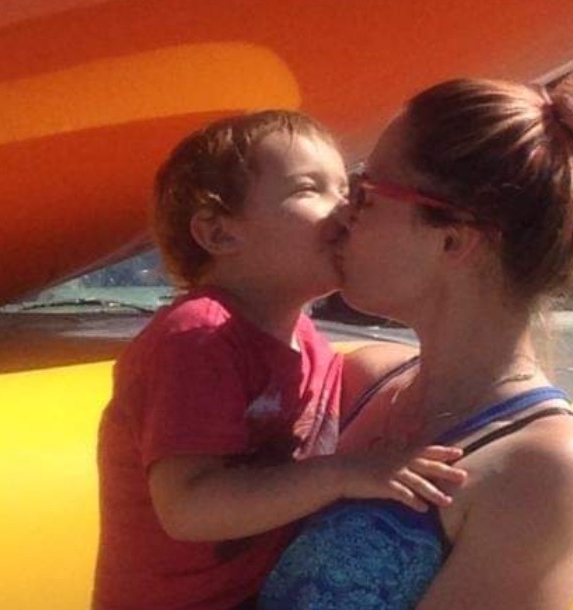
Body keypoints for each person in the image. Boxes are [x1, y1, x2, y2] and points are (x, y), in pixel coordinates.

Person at [260, 64, 573, 609]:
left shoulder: (544, 468)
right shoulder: (359, 379)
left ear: (453, 241)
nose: (341, 215)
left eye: (364, 193)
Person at [92, 110, 467, 610]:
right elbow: (188, 507)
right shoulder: (199, 338)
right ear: (220, 234)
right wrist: (344, 473)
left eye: (346, 187)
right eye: (311, 188)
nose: (347, 207)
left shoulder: (306, 341)